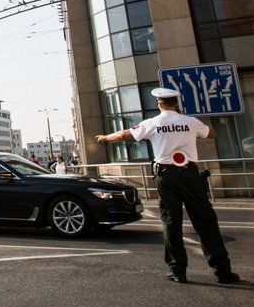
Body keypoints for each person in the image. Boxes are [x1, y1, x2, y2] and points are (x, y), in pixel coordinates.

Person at [95, 88, 239, 285]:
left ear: (159, 104)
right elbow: (211, 133)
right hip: (190, 175)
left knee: (171, 222)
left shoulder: (153, 123)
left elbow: (124, 134)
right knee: (206, 221)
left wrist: (105, 138)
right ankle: (223, 271)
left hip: (166, 175)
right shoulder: (190, 121)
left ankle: (177, 271)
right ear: (176, 104)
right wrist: (186, 124)